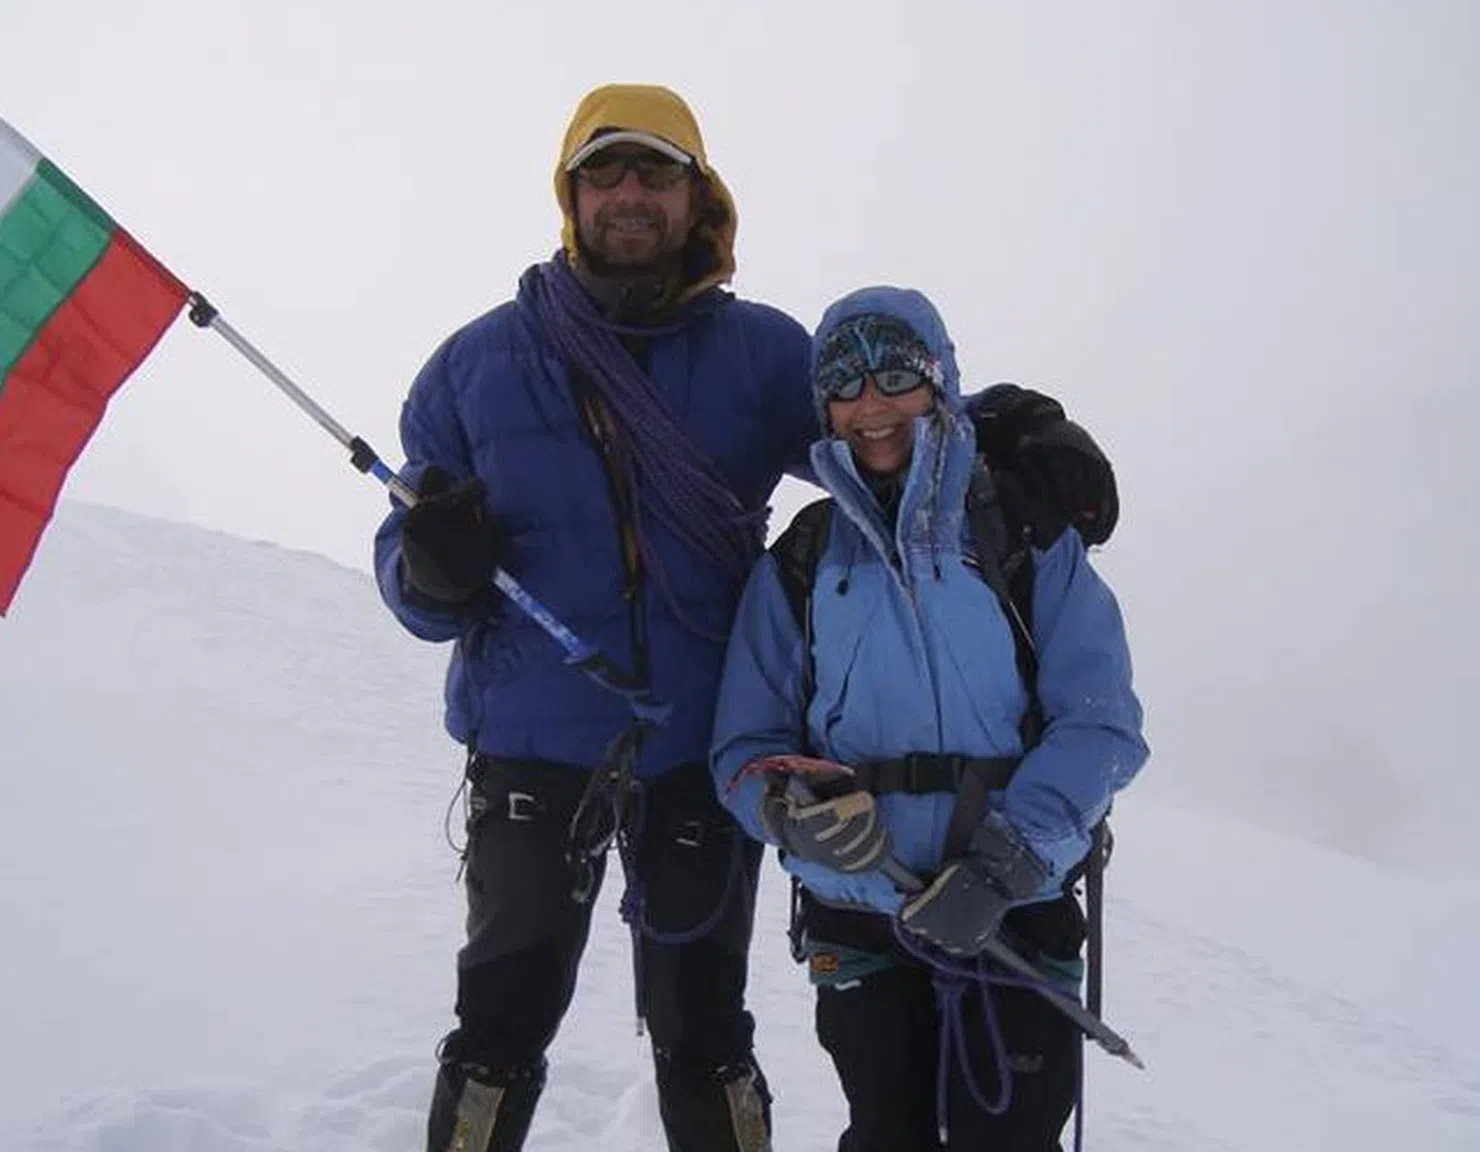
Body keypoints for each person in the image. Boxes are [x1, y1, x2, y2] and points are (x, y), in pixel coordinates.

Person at [374, 83, 1121, 1152]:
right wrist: (430, 570)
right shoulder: (473, 368)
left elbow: (885, 424)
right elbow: (409, 572)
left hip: (698, 751)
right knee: (499, 1021)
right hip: (530, 746)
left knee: (702, 1028)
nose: (630, 193)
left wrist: (1020, 424)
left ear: (697, 194)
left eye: (656, 171)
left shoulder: (761, 355)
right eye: (607, 171)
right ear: (570, 193)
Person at [710, 286, 1148, 1152]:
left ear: (940, 382)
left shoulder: (1023, 534)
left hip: (1020, 908)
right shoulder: (798, 562)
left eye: (896, 375)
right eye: (844, 382)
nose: (871, 405)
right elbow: (743, 748)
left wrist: (1008, 862)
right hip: (862, 918)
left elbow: (1102, 725)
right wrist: (788, 819)